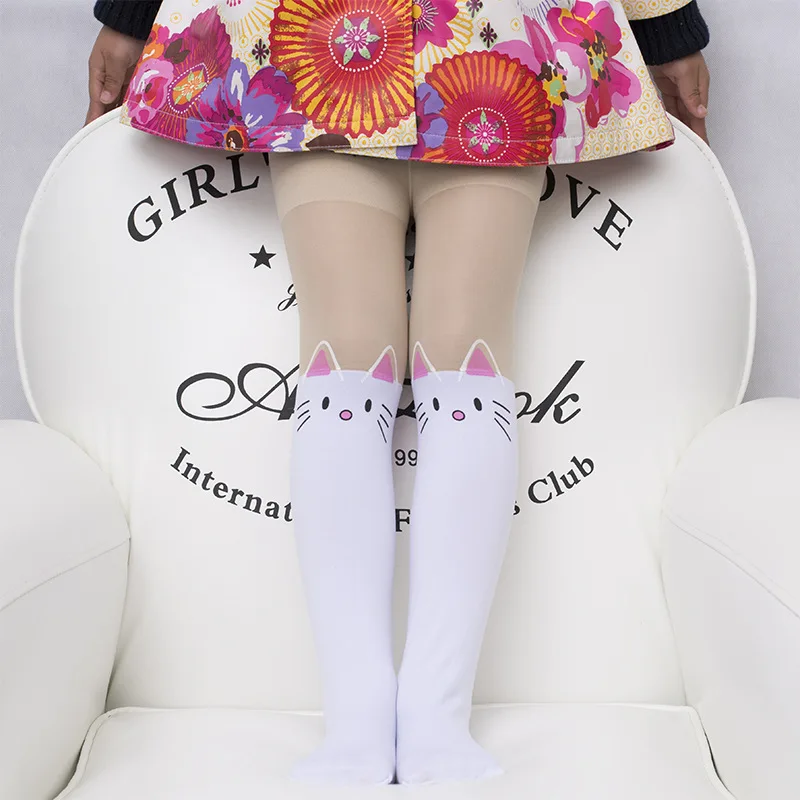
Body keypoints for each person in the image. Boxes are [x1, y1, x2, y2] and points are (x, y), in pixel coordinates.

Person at [86, 0, 711, 787]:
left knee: (436, 359)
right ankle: (367, 714)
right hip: (381, 33)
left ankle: (428, 714)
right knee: (367, 359)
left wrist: (667, 28)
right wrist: (667, 29)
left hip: (438, 35)